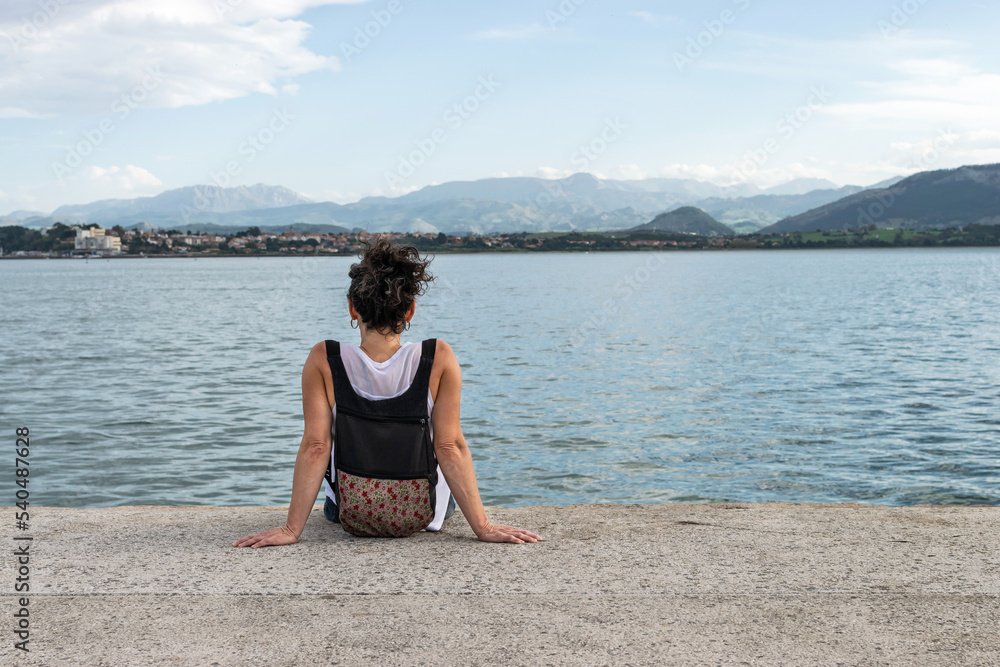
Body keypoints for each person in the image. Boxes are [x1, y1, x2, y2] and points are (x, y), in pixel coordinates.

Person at [233, 236, 541, 547]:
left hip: (351, 510)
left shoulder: (324, 359)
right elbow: (449, 447)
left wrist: (291, 530)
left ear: (352, 308)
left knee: (332, 495)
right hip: (425, 512)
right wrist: (483, 527)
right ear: (410, 311)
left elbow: (316, 446)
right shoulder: (437, 357)